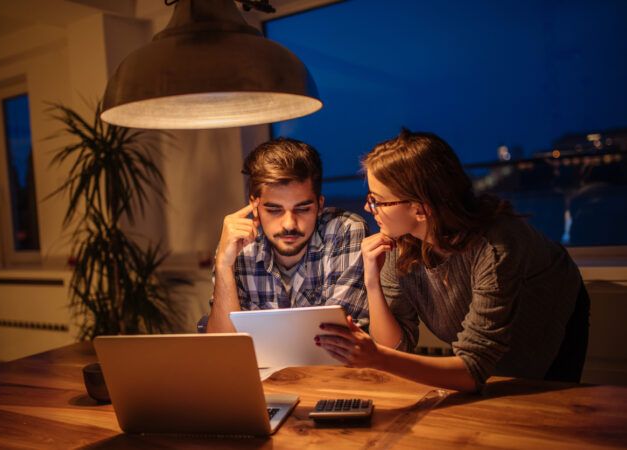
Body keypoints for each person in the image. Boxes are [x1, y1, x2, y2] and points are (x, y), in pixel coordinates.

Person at [316, 129, 589, 392]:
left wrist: (377, 358)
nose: (367, 208)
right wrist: (371, 281)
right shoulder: (400, 242)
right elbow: (394, 348)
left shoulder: (494, 248)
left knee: (539, 405)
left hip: (549, 315)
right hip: (484, 356)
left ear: (420, 209)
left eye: (376, 201)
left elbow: (472, 369)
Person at [206, 138, 369, 333]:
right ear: (255, 207)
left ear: (320, 205)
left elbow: (339, 341)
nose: (289, 224)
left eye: (303, 209)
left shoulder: (344, 231)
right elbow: (225, 348)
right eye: (274, 210)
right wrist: (224, 264)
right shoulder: (237, 245)